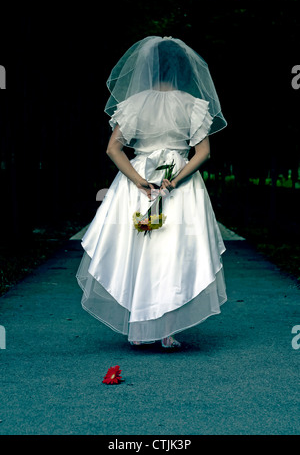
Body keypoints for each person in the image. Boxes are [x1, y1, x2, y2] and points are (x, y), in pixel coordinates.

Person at [76, 36, 228, 349]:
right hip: (179, 184)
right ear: (182, 69)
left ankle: (139, 326)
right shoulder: (193, 105)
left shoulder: (134, 104)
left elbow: (113, 149)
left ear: (147, 67)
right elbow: (203, 153)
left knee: (137, 251)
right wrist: (176, 179)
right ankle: (166, 330)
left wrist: (138, 181)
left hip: (139, 178)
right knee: (173, 252)